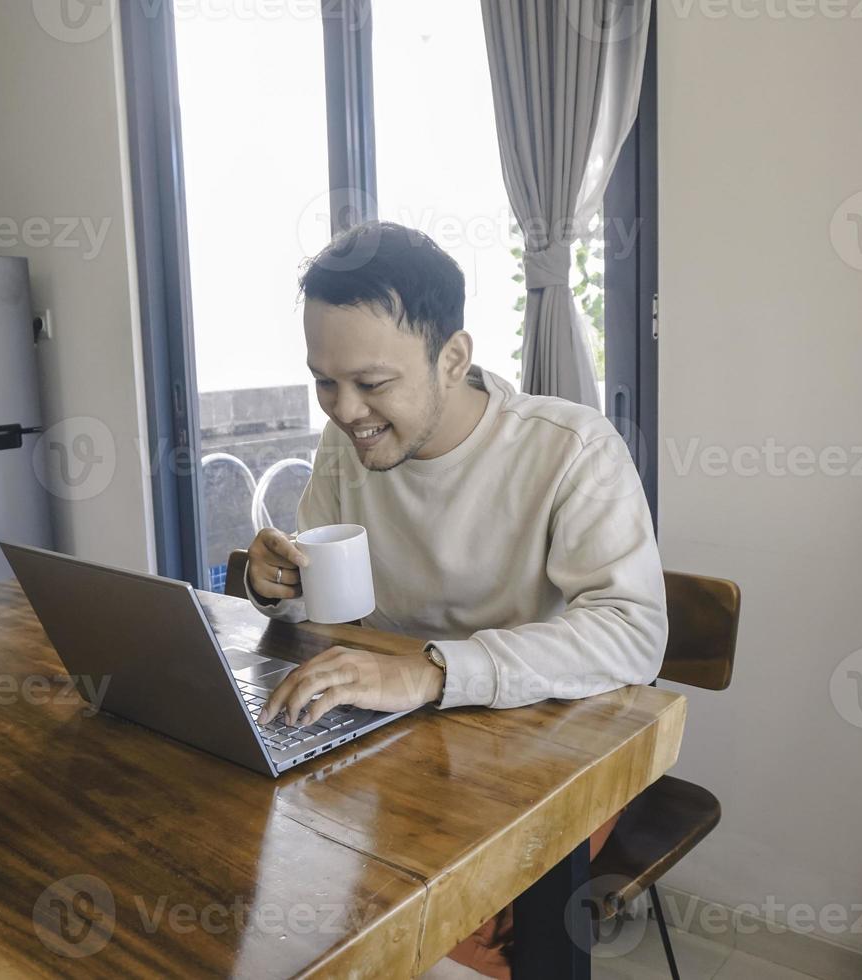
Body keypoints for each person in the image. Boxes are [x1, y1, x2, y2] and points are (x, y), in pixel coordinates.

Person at [245, 221, 668, 977]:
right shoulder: (350, 444)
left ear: (454, 358)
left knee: (435, 939)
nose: (343, 410)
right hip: (395, 745)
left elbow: (632, 633)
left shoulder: (569, 449)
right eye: (324, 381)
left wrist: (437, 671)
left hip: (545, 755)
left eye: (371, 383)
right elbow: (320, 597)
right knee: (275, 889)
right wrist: (274, 584)